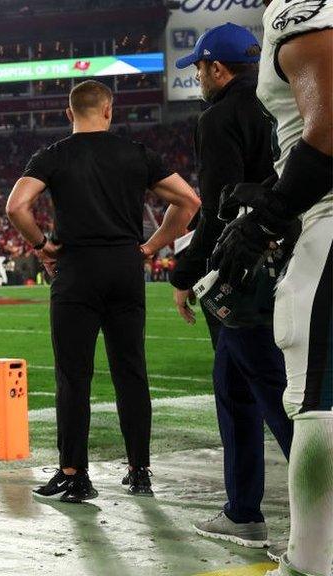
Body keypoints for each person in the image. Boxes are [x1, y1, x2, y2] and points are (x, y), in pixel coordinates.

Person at [6, 80, 201, 503]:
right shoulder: (135, 153)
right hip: (125, 268)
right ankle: (140, 470)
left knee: (73, 376)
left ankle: (75, 473)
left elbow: (16, 206)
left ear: (68, 113)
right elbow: (188, 201)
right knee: (131, 372)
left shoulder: (54, 155)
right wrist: (150, 247)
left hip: (77, 268)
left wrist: (42, 246)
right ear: (109, 111)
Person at [211, 2, 332, 574]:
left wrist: (271, 213)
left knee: (316, 406)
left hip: (329, 225)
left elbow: (328, 127)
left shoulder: (303, 11)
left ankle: (309, 563)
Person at [168, 23, 295, 549]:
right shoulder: (283, 102)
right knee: (236, 386)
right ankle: (242, 510)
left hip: (249, 276)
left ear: (217, 69)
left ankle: (319, 503)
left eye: (199, 67)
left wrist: (185, 272)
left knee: (277, 395)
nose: (197, 76)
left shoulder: (220, 116)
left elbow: (222, 210)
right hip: (298, 258)